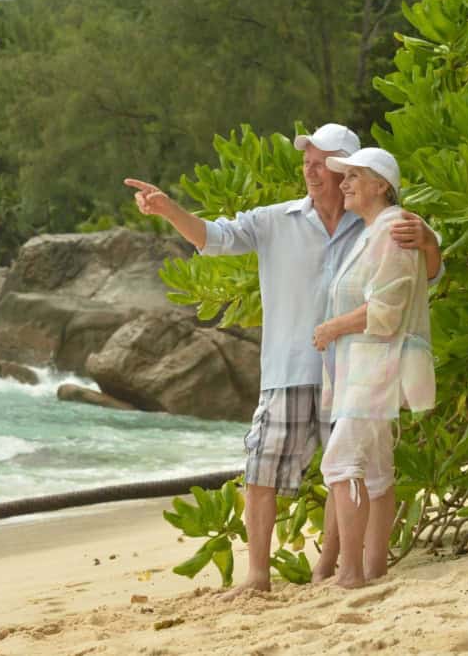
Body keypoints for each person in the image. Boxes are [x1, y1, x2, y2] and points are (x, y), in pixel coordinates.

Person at [125, 124, 442, 597]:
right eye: (307, 164)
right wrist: (168, 209)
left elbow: (424, 279)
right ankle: (260, 576)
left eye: (323, 164)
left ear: (347, 170)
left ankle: (336, 567)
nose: (312, 173)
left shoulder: (379, 223)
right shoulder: (279, 218)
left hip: (353, 369)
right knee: (265, 467)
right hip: (290, 366)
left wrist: (430, 241)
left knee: (350, 467)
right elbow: (213, 237)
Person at [312, 147, 436, 589]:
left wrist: (330, 328)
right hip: (362, 367)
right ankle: (373, 567)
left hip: (374, 365)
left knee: (342, 461)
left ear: (380, 185)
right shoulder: (374, 230)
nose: (342, 183)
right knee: (378, 469)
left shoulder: (392, 229)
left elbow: (385, 310)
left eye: (353, 177)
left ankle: (350, 573)